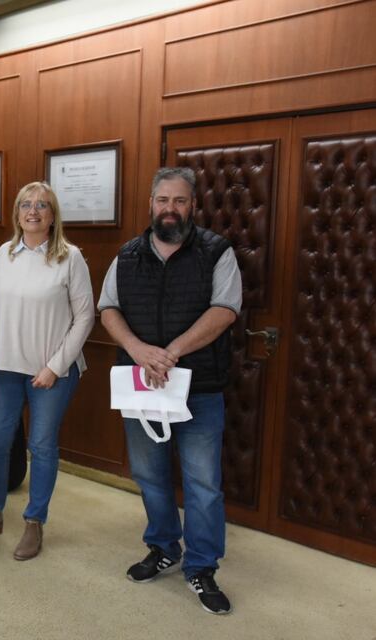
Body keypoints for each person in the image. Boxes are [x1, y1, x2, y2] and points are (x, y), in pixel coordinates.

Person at [98, 166, 241, 615]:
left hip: (199, 386)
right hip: (142, 389)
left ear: (193, 205)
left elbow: (225, 310)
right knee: (149, 475)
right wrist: (140, 350)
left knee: (203, 483)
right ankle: (164, 546)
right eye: (163, 200)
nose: (171, 209)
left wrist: (171, 352)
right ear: (151, 204)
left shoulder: (217, 252)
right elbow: (108, 310)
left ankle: (201, 566)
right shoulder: (127, 255)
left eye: (180, 201)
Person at [0, 181, 94, 561]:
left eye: (42, 205)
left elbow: (86, 315)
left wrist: (56, 366)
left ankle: (34, 521)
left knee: (41, 446)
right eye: (26, 204)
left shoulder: (70, 257)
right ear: (17, 213)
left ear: (53, 215)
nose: (33, 211)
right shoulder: (3, 255)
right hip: (7, 368)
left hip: (52, 370)